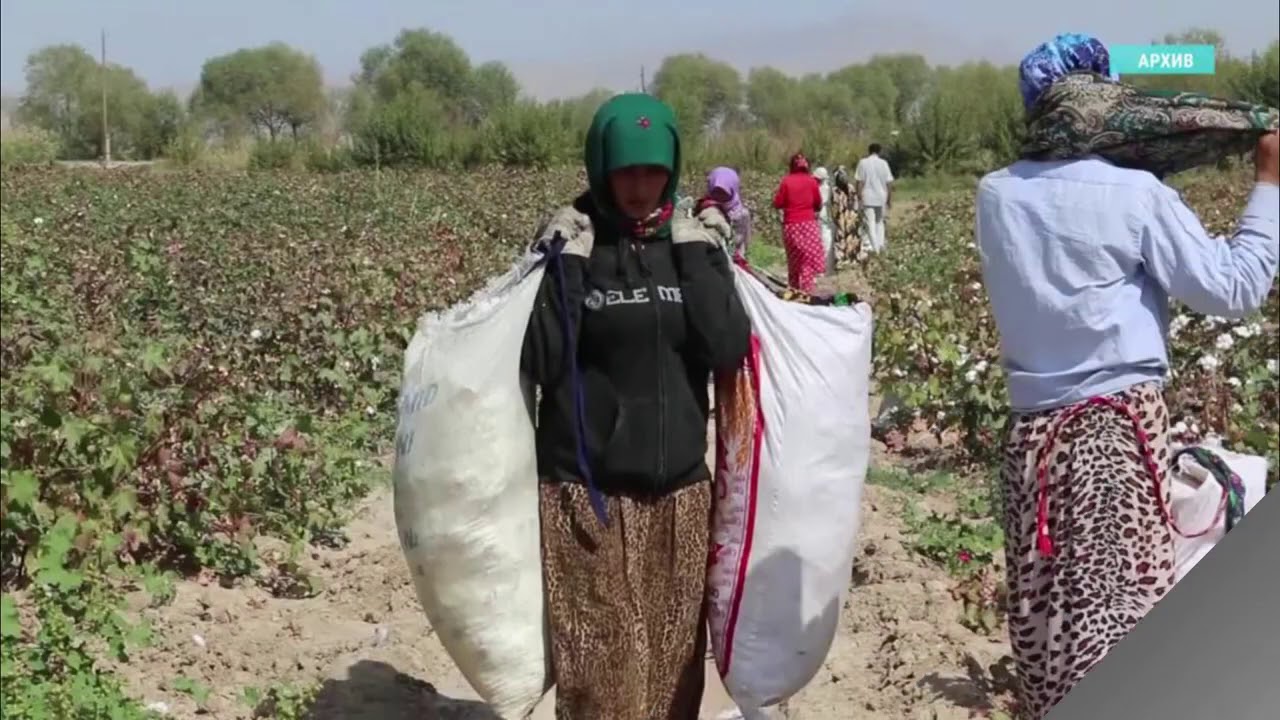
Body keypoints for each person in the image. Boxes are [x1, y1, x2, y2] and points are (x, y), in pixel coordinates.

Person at [975, 33, 1280, 720]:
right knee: (1117, 637)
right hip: (1113, 441)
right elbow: (1234, 288)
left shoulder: (994, 195)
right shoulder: (1135, 195)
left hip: (1032, 448)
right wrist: (1269, 184)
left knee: (1049, 633)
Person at [520, 93, 752, 720]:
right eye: (626, 171)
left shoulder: (691, 247)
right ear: (601, 167)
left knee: (673, 677)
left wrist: (697, 251)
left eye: (654, 171)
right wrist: (562, 265)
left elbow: (728, 346)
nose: (641, 187)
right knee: (601, 673)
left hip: (679, 495)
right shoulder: (575, 245)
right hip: (585, 492)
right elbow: (540, 358)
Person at [771, 153, 825, 292]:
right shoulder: (812, 181)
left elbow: (777, 203)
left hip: (791, 226)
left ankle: (793, 291)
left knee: (794, 263)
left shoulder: (786, 181)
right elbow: (818, 204)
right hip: (808, 224)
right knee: (807, 261)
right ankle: (806, 292)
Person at [699, 166, 753, 261]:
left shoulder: (741, 214)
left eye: (724, 192)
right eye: (716, 192)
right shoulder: (703, 209)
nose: (719, 196)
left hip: (734, 261)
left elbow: (744, 240)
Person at [854, 143, 894, 253]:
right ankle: (880, 246)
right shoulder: (883, 163)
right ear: (879, 151)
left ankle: (875, 248)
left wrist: (858, 196)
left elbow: (859, 181)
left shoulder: (863, 163)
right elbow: (889, 183)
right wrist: (889, 199)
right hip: (881, 196)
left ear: (869, 151)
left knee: (870, 223)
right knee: (879, 222)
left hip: (867, 196)